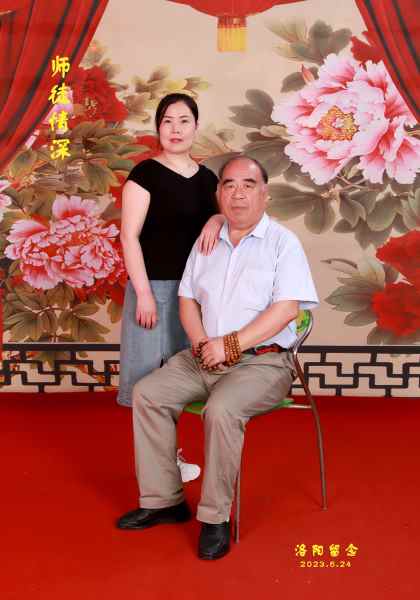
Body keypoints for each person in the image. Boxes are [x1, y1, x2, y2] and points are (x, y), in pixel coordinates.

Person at [117, 156, 319, 561]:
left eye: (248, 185)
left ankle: (215, 517)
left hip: (262, 362)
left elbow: (286, 310)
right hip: (204, 356)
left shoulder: (283, 243)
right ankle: (164, 500)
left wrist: (230, 346)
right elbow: (187, 299)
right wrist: (200, 343)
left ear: (265, 194)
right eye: (229, 185)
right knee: (148, 393)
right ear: (218, 194)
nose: (238, 193)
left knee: (222, 410)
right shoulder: (206, 242)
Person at [118, 93, 224, 482]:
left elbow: (228, 220)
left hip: (194, 296)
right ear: (158, 128)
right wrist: (144, 294)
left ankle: (169, 460)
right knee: (149, 381)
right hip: (154, 290)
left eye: (183, 121)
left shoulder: (208, 179)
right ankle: (159, 470)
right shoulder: (144, 174)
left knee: (181, 379)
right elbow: (129, 237)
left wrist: (215, 220)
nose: (175, 129)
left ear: (196, 127)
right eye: (167, 121)